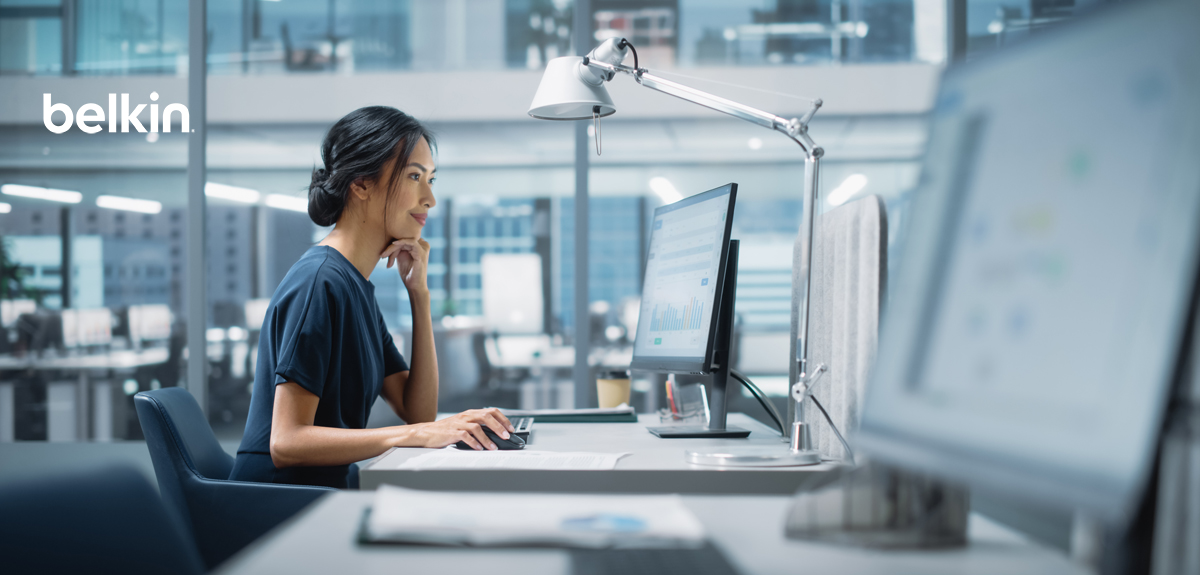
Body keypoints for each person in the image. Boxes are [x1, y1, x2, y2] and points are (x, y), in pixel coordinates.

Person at [230, 106, 514, 489]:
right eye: (415, 177)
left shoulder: (355, 286)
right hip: (278, 505)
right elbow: (286, 441)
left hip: (327, 492)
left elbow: (418, 411)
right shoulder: (319, 283)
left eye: (430, 179)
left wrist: (419, 295)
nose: (429, 198)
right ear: (361, 184)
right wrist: (411, 436)